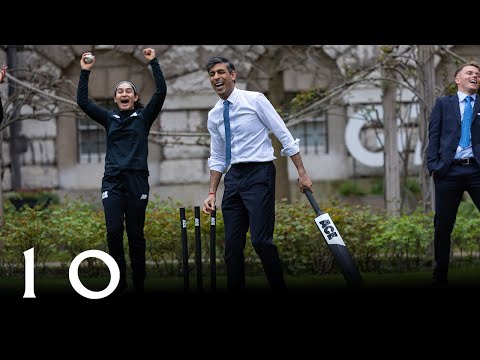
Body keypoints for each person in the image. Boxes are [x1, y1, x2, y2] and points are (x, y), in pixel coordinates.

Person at [202, 56, 313, 292]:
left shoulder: (255, 100)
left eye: (221, 72)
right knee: (232, 247)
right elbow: (218, 157)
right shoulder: (214, 115)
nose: (216, 78)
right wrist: (212, 192)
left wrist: (302, 173)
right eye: (212, 74)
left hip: (259, 174)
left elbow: (283, 134)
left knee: (261, 241)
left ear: (233, 75)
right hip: (233, 178)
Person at [77, 48, 167, 295]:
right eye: (120, 91)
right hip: (113, 182)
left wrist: (153, 62)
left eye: (128, 90)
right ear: (115, 98)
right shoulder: (109, 118)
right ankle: (119, 281)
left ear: (135, 96)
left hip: (137, 181)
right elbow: (83, 102)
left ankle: (139, 282)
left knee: (136, 235)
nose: (124, 93)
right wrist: (85, 71)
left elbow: (161, 92)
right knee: (114, 231)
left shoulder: (143, 117)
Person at [427, 61, 480, 287]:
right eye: (469, 73)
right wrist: (434, 166)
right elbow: (434, 135)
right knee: (443, 225)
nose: (475, 76)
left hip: (477, 170)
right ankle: (440, 276)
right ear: (457, 79)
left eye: (477, 74)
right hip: (449, 171)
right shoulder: (443, 104)